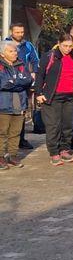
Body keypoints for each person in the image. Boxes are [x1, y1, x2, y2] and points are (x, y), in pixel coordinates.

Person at [35, 33, 73, 166]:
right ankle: (54, 152)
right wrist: (38, 93)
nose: (67, 49)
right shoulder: (49, 56)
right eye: (65, 46)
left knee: (67, 125)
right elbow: (40, 75)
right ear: (59, 43)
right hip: (52, 96)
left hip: (70, 96)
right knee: (53, 125)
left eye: (70, 46)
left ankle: (64, 149)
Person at [0, 40, 33, 169]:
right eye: (11, 51)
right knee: (2, 132)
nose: (14, 53)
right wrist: (18, 83)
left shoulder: (21, 64)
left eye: (15, 51)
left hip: (19, 104)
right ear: (3, 54)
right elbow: (2, 83)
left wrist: (13, 82)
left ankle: (13, 155)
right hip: (3, 105)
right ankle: (1, 156)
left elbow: (28, 80)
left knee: (15, 132)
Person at [6, 22, 38, 151]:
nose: (19, 34)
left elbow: (35, 60)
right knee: (7, 110)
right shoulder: (5, 44)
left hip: (23, 81)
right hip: (8, 81)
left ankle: (21, 139)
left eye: (21, 32)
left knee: (22, 110)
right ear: (11, 32)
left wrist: (34, 73)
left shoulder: (28, 45)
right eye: (17, 32)